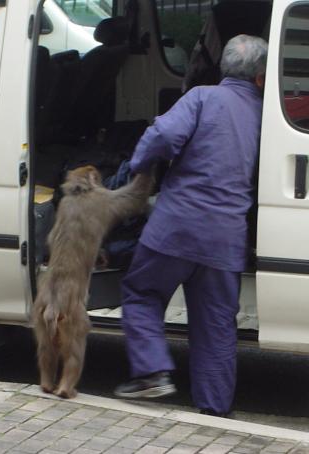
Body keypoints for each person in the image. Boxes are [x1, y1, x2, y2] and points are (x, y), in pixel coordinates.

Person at [114, 34, 268, 417]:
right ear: (260, 78)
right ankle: (214, 411)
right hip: (225, 240)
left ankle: (152, 372)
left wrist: (135, 167)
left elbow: (163, 135)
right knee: (216, 328)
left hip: (175, 227)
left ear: (223, 68)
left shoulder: (202, 97)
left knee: (141, 294)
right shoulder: (266, 114)